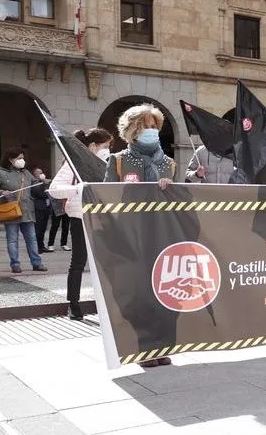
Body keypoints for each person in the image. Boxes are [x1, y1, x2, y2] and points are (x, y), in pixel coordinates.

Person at [105, 104, 176, 368]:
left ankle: (161, 344)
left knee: (160, 290)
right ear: (133, 129)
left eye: (155, 126)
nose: (152, 131)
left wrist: (168, 190)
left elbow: (179, 202)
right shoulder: (119, 160)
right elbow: (106, 198)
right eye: (146, 126)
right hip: (129, 236)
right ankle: (142, 348)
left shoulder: (169, 163)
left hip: (162, 235)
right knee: (137, 292)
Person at [48, 128, 113, 320]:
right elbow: (55, 190)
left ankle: (107, 304)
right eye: (105, 146)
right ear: (93, 145)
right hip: (80, 217)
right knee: (78, 262)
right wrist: (78, 188)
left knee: (107, 263)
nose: (108, 150)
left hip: (104, 218)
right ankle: (74, 305)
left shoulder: (109, 164)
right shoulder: (73, 163)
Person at [0, 147, 47, 274]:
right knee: (12, 239)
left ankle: (37, 263)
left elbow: (36, 188)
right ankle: (15, 264)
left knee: (32, 239)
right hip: (11, 211)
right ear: (10, 159)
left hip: (27, 211)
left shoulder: (25, 172)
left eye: (23, 158)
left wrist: (43, 182)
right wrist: (1, 192)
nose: (22, 161)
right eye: (19, 158)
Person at [30, 167, 52, 254]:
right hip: (38, 209)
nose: (41, 174)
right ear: (35, 175)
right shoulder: (34, 183)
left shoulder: (44, 183)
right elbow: (41, 194)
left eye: (42, 172)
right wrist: (45, 184)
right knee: (38, 229)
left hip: (46, 209)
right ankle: (36, 247)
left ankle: (41, 245)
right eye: (39, 173)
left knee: (43, 229)